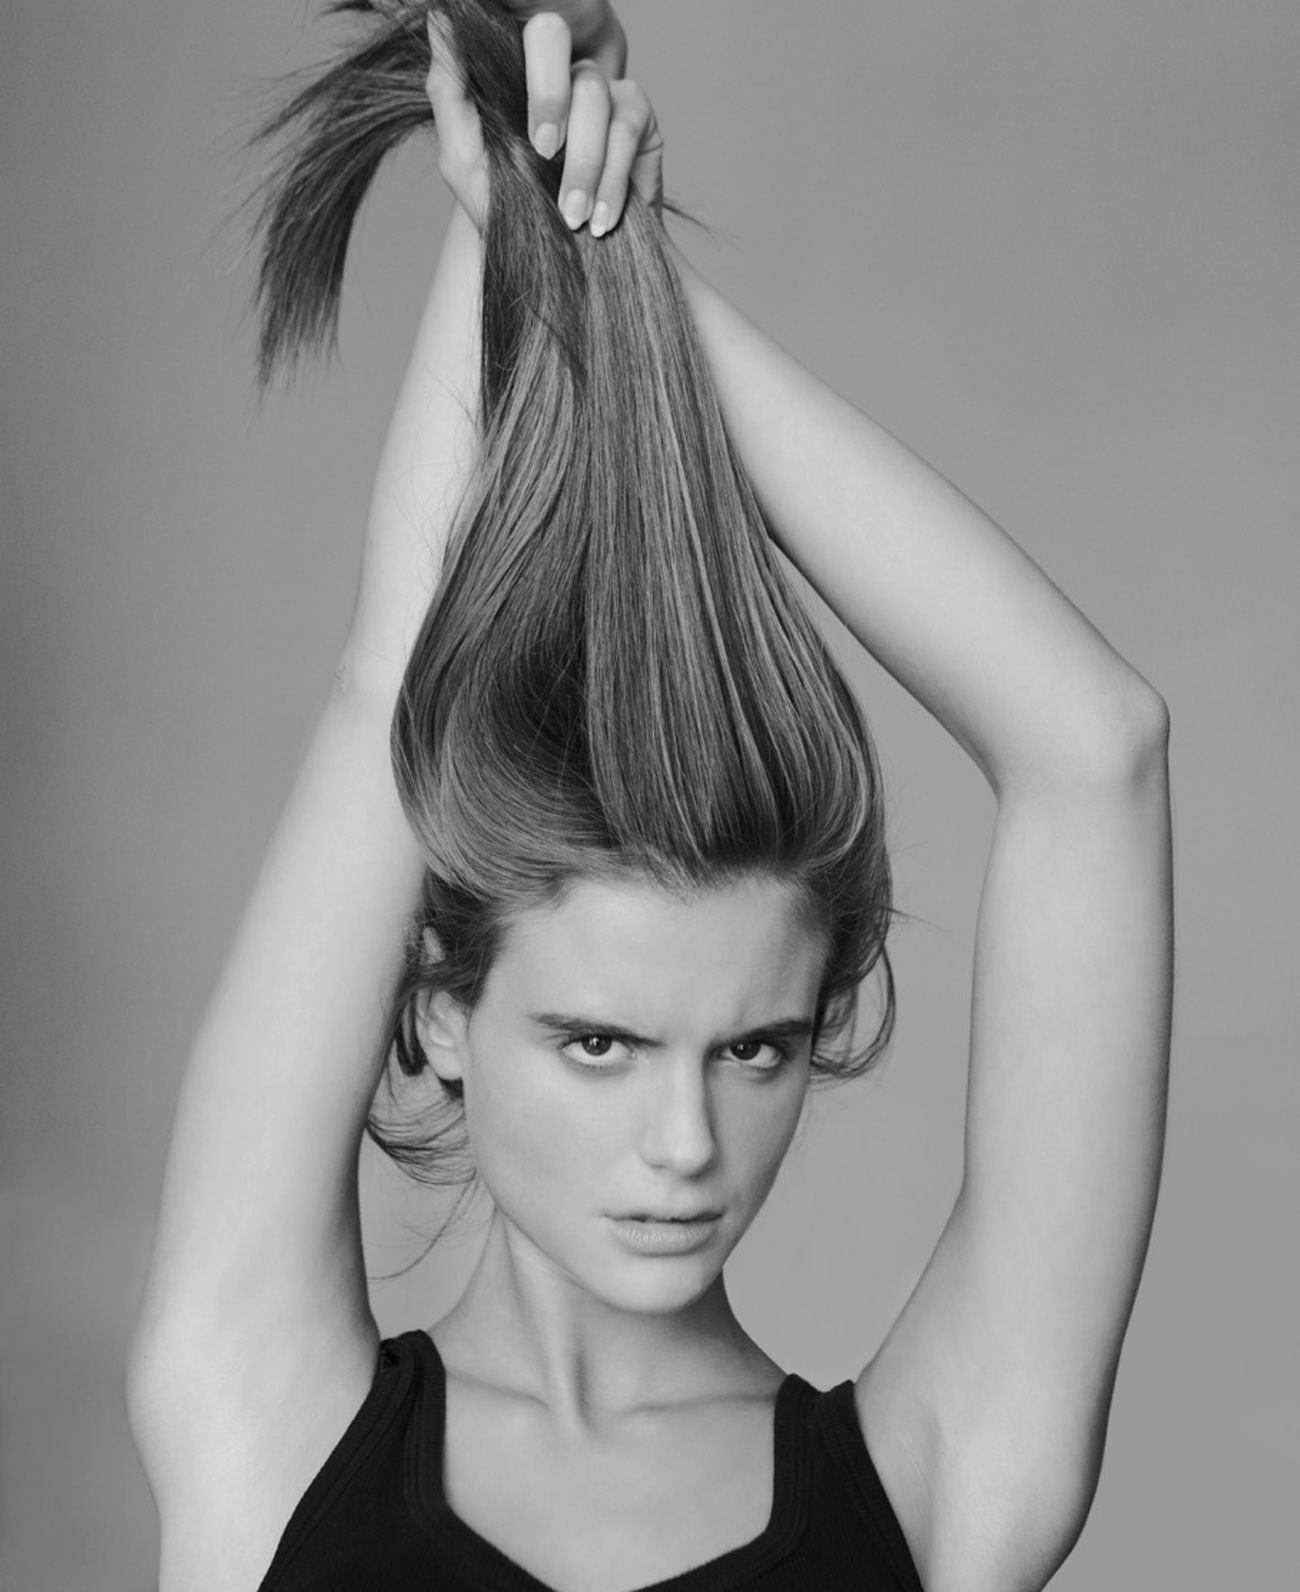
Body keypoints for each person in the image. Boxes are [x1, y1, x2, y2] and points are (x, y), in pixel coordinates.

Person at [127, 3, 1174, 1589]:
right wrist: (550, 217)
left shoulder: (942, 1482)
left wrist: (610, 262)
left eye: (753, 1049)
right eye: (600, 1044)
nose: (686, 1147)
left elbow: (1094, 749)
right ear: (440, 1015)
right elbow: (392, 679)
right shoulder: (256, 1416)